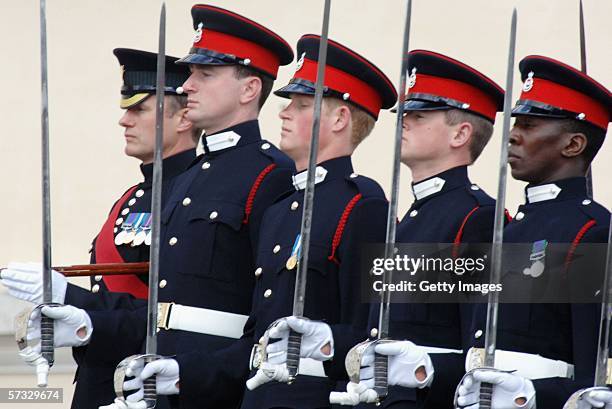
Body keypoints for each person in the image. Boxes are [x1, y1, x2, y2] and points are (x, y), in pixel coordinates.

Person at [122, 34, 397, 409]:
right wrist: (182, 373)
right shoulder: (283, 209)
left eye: (300, 105)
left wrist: (329, 342)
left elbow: (375, 330)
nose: (282, 113)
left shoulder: (362, 205)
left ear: (339, 118)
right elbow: (256, 337)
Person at [95, 4, 296, 409]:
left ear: (248, 90)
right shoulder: (186, 178)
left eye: (205, 74)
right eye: (190, 74)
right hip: (159, 376)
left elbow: (269, 312)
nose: (187, 86)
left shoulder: (270, 173)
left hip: (216, 386)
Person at [0, 47, 198, 409]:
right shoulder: (131, 198)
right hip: (101, 376)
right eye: (126, 110)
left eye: (139, 109)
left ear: (184, 117)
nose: (125, 121)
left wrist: (72, 298)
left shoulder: (197, 197)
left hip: (150, 381)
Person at [329, 49, 505, 408]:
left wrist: (427, 368)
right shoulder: (409, 218)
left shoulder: (476, 218)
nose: (403, 122)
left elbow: (480, 351)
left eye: (419, 115)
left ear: (461, 134)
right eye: (405, 114)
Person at [456, 55, 611, 408]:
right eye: (516, 124)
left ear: (572, 145)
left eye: (528, 125)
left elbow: (597, 379)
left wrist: (533, 396)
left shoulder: (592, 233)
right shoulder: (511, 228)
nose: (512, 136)